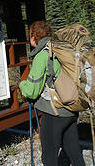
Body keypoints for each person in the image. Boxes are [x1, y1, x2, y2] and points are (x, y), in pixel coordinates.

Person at [19, 20, 85, 166]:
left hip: (55, 111)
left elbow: (31, 91)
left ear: (34, 37)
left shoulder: (42, 55)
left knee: (49, 154)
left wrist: (21, 84)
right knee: (73, 149)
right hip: (71, 107)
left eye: (30, 36)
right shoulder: (59, 48)